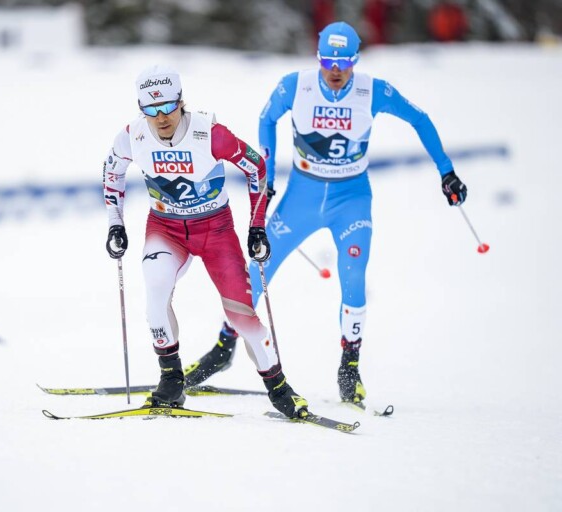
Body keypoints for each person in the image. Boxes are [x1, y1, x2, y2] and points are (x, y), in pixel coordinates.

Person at [185, 21, 468, 406]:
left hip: (351, 200)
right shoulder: (295, 86)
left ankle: (349, 366)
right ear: (319, 58)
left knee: (353, 272)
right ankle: (224, 347)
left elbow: (419, 118)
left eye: (344, 62)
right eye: (329, 62)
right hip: (301, 197)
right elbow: (267, 118)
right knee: (257, 269)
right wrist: (268, 172)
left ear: (355, 60)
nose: (336, 70)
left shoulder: (373, 90)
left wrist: (446, 171)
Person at [102, 65, 310, 419]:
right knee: (154, 295)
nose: (161, 117)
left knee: (241, 316)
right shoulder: (131, 136)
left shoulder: (209, 133)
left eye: (167, 107)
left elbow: (256, 168)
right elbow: (112, 172)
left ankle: (279, 389)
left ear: (181, 101)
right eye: (151, 109)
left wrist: (256, 226)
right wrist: (115, 224)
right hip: (166, 228)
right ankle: (171, 379)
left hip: (215, 230)